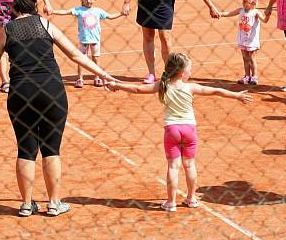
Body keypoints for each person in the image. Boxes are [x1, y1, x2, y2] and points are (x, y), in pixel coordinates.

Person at [0, 0, 114, 217]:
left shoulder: (7, 30)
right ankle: (54, 203)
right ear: (35, 6)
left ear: (14, 9)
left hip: (21, 92)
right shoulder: (45, 25)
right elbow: (75, 54)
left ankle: (26, 204)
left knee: (26, 149)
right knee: (51, 149)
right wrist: (103, 74)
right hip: (51, 91)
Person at [106, 52, 252, 212]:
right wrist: (236, 95)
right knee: (189, 165)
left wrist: (117, 85)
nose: (191, 72)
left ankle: (171, 202)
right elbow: (216, 91)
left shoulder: (162, 85)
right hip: (189, 129)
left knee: (173, 167)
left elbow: (136, 89)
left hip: (172, 130)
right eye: (189, 69)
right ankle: (192, 198)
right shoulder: (190, 87)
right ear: (182, 72)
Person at [54, 0, 123, 88]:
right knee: (81, 59)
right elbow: (65, 12)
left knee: (95, 59)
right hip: (84, 40)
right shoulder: (79, 10)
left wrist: (121, 14)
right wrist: (53, 11)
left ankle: (97, 78)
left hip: (95, 40)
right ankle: (80, 79)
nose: (88, 1)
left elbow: (110, 16)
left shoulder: (98, 11)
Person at [220, 0, 269, 85]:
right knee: (245, 58)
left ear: (252, 2)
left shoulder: (256, 12)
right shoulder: (240, 10)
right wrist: (220, 14)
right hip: (242, 39)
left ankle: (254, 76)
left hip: (251, 40)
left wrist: (268, 15)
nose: (243, 3)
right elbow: (229, 13)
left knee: (252, 58)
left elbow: (265, 20)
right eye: (243, 1)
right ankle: (247, 76)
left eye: (245, 1)